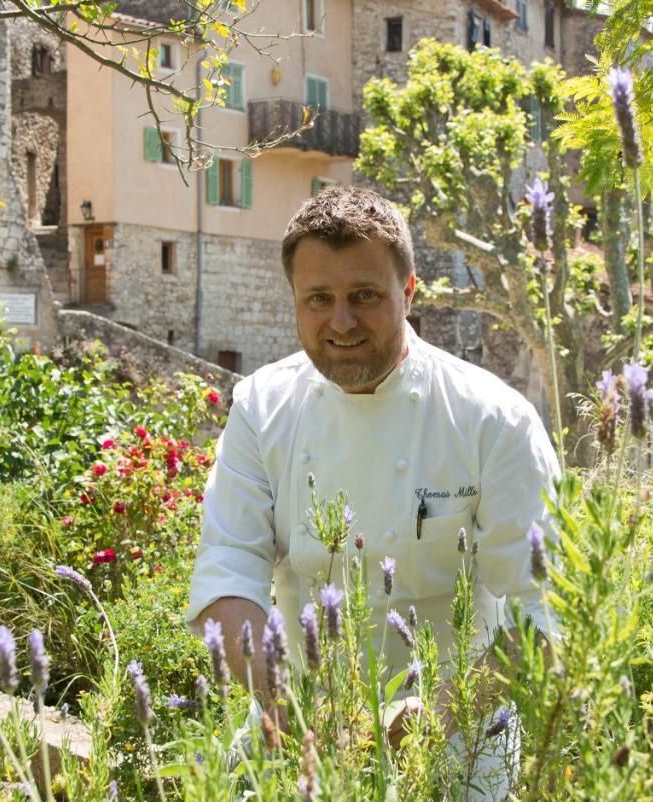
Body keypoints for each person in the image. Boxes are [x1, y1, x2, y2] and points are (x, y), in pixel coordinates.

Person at [185, 186, 559, 800]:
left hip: (460, 721)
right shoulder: (262, 407)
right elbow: (228, 573)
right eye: (319, 300)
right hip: (298, 716)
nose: (342, 321)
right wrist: (288, 706)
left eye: (364, 296)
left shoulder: (493, 419)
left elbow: (541, 610)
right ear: (295, 303)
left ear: (407, 293)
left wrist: (429, 717)